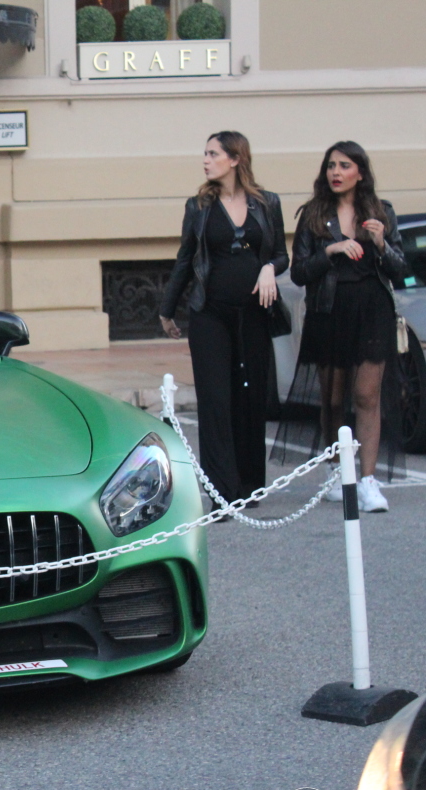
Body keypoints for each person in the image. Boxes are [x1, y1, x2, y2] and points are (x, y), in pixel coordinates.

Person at [274, 141, 411, 512]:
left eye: (344, 165)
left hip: (371, 311)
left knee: (367, 396)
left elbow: (400, 271)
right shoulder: (315, 215)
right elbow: (300, 272)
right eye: (331, 165)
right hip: (329, 311)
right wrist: (330, 251)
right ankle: (338, 471)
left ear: (360, 173)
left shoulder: (381, 212)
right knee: (333, 400)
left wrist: (381, 243)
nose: (336, 172)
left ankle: (368, 482)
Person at [159, 131, 288, 508]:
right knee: (215, 401)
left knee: (249, 400)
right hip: (210, 315)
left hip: (254, 315)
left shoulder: (267, 203)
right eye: (205, 153)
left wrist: (268, 268)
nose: (205, 160)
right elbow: (186, 258)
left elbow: (282, 255)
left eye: (213, 154)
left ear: (235, 159)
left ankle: (250, 487)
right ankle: (222, 493)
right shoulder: (199, 205)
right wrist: (168, 308)